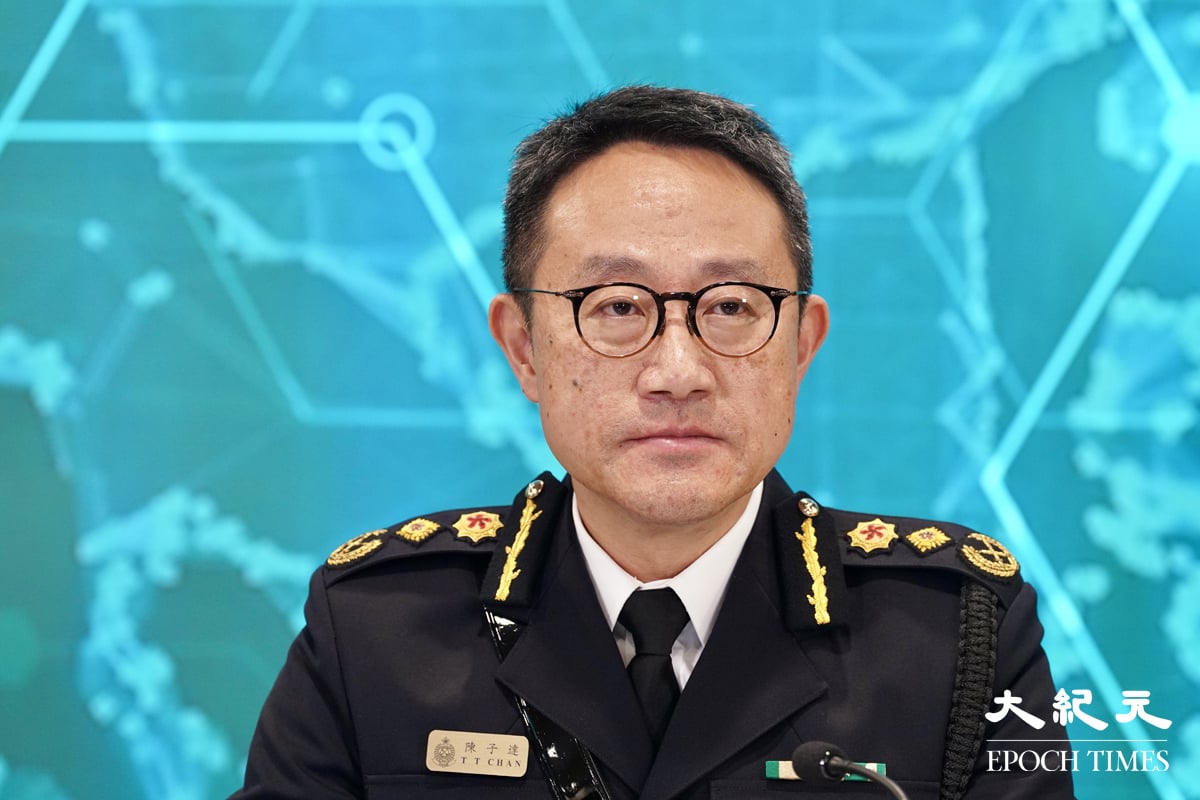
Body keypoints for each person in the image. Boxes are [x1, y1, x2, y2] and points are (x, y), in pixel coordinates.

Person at [232, 86, 1074, 799]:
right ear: (522, 348)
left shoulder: (958, 637)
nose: (678, 372)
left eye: (732, 306)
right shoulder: (374, 633)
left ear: (802, 345)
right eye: (617, 307)